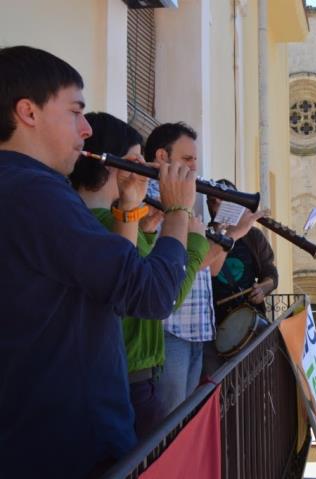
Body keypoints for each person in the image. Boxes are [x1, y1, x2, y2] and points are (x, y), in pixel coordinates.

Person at [0, 45, 195, 478]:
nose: (86, 129)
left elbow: (113, 283)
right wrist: (180, 212)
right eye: (75, 111)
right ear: (28, 112)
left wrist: (129, 206)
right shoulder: (37, 194)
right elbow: (151, 294)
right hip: (70, 447)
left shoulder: (22, 188)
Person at [69, 112, 210, 438]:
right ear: (111, 165)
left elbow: (130, 268)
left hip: (130, 370)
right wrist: (182, 217)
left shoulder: (108, 216)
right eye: (136, 161)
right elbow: (160, 295)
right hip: (130, 373)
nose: (145, 170)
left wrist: (143, 222)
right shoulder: (100, 220)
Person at [145, 123, 264, 418]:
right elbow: (187, 263)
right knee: (167, 423)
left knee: (183, 421)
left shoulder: (186, 201)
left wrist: (223, 231)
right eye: (187, 160)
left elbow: (209, 269)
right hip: (170, 328)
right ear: (162, 156)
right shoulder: (151, 199)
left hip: (196, 327)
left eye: (195, 161)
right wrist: (234, 234)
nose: (195, 168)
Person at [207, 179, 277, 320]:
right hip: (214, 319)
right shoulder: (203, 235)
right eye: (215, 201)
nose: (219, 206)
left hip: (250, 314)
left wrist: (263, 289)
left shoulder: (253, 236)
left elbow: (270, 272)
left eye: (226, 200)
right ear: (210, 205)